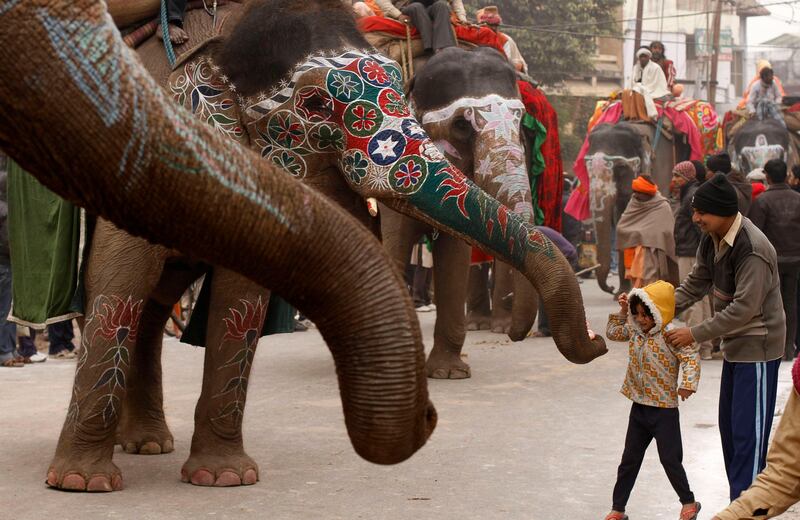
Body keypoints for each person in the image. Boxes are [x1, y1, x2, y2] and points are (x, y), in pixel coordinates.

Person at [665, 173, 785, 501]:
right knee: (731, 434)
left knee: (749, 439)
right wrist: (651, 308)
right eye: (694, 211)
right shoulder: (713, 237)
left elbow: (744, 310)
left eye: (701, 212)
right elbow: (695, 283)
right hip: (734, 346)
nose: (695, 218)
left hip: (758, 347)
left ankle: (745, 507)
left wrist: (694, 333)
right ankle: (740, 504)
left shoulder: (753, 248)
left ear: (723, 212)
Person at [603, 280, 702, 520]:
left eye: (645, 314)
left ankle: (688, 503)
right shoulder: (635, 330)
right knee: (629, 460)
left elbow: (690, 357)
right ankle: (618, 509)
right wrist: (623, 312)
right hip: (639, 407)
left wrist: (687, 384)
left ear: (660, 311)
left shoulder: (671, 335)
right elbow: (613, 332)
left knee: (670, 459)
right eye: (636, 314)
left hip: (664, 410)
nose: (641, 319)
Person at [711, 357, 800, 520]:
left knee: (747, 454)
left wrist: (696, 334)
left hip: (756, 353)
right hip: (737, 354)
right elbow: (786, 472)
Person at [749, 159, 800, 361]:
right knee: (791, 303)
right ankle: (789, 348)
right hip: (795, 260)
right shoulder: (797, 199)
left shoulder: (762, 202)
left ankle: (775, 347)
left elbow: (754, 234)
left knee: (771, 305)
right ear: (786, 176)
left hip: (771, 261)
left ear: (767, 177)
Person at [671, 161, 713, 360]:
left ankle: (692, 345)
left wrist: (702, 251)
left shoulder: (691, 196)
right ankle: (705, 346)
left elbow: (699, 228)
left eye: (678, 176)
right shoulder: (692, 193)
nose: (674, 180)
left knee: (691, 299)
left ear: (687, 177)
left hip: (690, 252)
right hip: (693, 250)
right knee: (702, 299)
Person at [617, 175, 678, 288]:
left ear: (648, 193)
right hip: (634, 253)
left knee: (650, 284)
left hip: (653, 254)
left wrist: (644, 236)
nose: (636, 195)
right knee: (636, 285)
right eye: (635, 192)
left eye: (639, 192)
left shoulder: (662, 206)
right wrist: (639, 235)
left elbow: (667, 232)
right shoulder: (634, 202)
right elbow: (622, 226)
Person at [529, 226, 577, 338]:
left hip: (566, 257)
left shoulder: (532, 236)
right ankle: (556, 327)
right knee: (551, 293)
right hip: (559, 256)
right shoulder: (532, 232)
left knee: (547, 292)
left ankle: (545, 329)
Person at [374, 0, 466, 53]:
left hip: (431, 9)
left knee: (442, 5)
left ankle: (442, 48)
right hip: (409, 9)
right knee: (417, 7)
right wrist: (398, 15)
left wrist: (462, 18)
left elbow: (456, 1)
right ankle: (429, 47)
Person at [476, 6, 527, 73]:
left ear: (497, 26)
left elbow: (506, 63)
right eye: (485, 25)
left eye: (494, 25)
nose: (492, 28)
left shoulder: (505, 40)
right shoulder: (477, 36)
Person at [626, 46, 671, 121]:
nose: (643, 58)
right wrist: (637, 86)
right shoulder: (636, 67)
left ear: (649, 57)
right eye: (641, 57)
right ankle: (628, 114)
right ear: (639, 58)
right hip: (639, 88)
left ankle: (640, 116)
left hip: (654, 90)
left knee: (636, 91)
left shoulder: (655, 67)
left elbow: (655, 83)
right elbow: (632, 81)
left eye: (645, 56)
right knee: (626, 93)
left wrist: (641, 88)